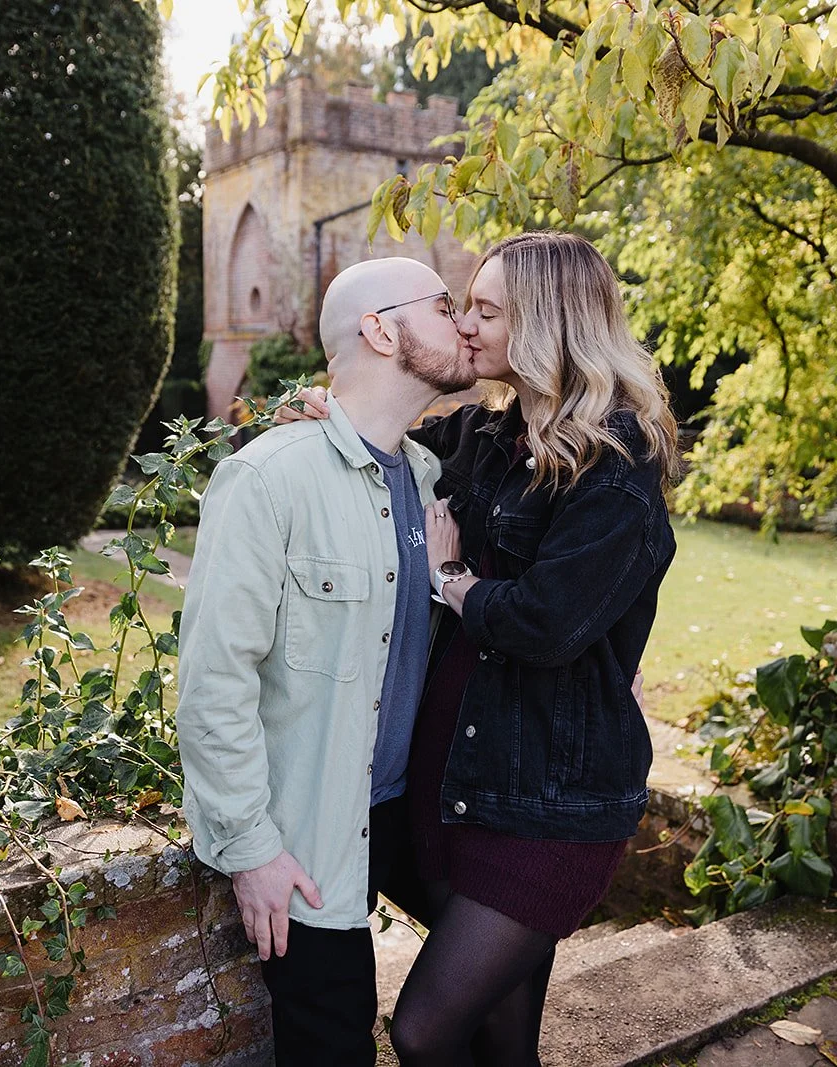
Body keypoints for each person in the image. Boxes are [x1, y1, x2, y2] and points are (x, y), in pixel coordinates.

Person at [280, 231, 680, 1065]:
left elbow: (549, 624)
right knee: (501, 1035)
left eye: (487, 309)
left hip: (553, 801)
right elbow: (384, 433)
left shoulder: (618, 463)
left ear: (545, 325)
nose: (466, 323)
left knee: (424, 1029)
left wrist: (454, 577)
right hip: (466, 777)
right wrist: (328, 411)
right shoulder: (492, 437)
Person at [175, 256, 476, 1066]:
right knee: (333, 1044)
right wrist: (252, 850)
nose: (466, 323)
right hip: (306, 830)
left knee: (495, 972)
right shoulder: (267, 478)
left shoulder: (429, 475)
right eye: (446, 305)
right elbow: (212, 684)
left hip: (407, 809)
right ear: (380, 330)